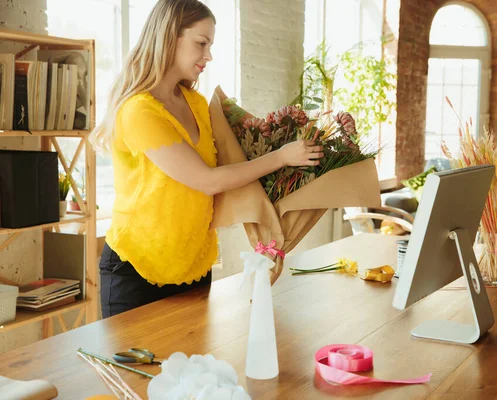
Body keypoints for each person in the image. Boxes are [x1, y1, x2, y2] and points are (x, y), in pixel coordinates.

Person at [92, 0, 323, 318]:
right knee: (136, 370)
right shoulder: (138, 111)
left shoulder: (197, 103)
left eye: (210, 44)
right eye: (201, 43)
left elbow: (234, 161)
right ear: (169, 37)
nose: (208, 55)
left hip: (194, 267)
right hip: (136, 269)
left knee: (195, 368)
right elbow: (206, 180)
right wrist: (281, 158)